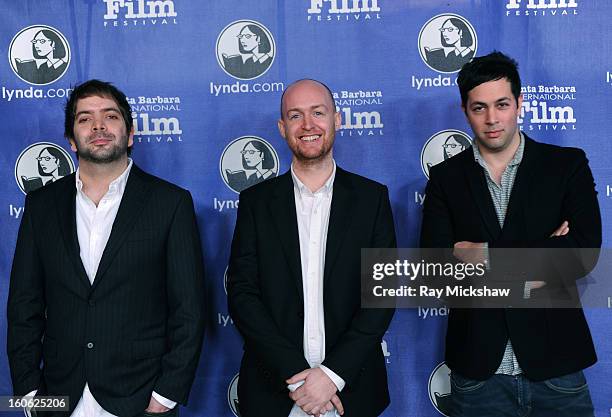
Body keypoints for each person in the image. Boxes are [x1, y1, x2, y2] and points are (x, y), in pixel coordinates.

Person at [7, 80, 206, 417]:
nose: (98, 126)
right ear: (71, 139)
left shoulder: (170, 203)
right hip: (59, 398)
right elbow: (23, 305)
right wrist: (29, 394)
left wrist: (165, 396)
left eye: (110, 116)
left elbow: (189, 309)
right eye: (85, 119)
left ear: (129, 134)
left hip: (141, 399)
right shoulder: (41, 206)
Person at [420, 52, 601, 417]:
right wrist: (540, 259)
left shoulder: (567, 165)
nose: (491, 119)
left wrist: (484, 254)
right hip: (478, 374)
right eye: (479, 108)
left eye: (502, 104)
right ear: (464, 110)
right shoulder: (445, 179)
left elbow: (582, 254)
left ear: (519, 102)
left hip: (557, 368)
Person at [227, 79, 396, 417]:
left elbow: (382, 293)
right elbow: (243, 295)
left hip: (353, 391)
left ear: (337, 119)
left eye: (318, 113)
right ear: (282, 127)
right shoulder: (256, 203)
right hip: (275, 393)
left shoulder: (371, 199)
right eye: (295, 116)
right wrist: (298, 379)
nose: (308, 125)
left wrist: (332, 376)